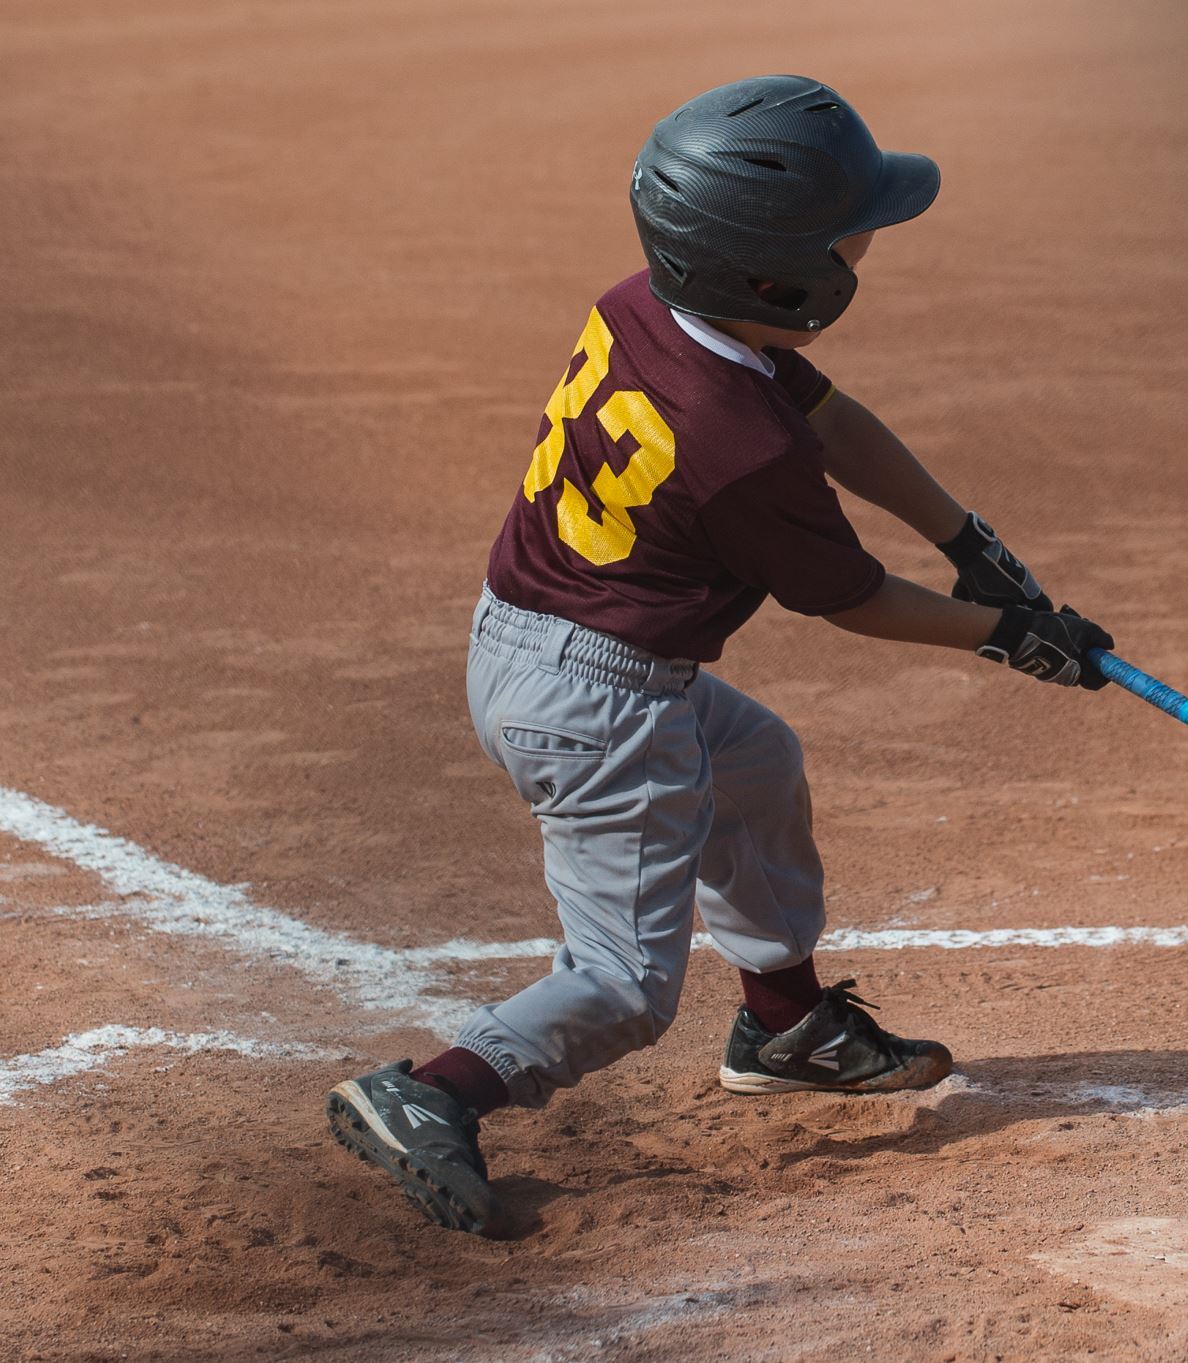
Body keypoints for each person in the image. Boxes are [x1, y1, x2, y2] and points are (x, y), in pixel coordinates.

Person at [323, 75, 1115, 1236]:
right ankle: (434, 1091)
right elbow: (849, 599)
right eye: (850, 234)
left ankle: (787, 1025)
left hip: (539, 647)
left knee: (755, 768)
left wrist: (966, 540)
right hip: (599, 708)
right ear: (773, 273)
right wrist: (1011, 637)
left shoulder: (653, 308)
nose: (865, 245)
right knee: (624, 986)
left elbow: (833, 420)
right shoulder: (733, 445)